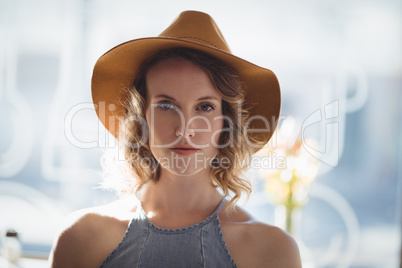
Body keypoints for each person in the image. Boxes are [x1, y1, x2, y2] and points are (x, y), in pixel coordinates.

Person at [49, 10, 302, 268]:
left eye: (204, 107)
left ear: (227, 123)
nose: (185, 130)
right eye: (167, 106)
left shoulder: (272, 252)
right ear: (141, 118)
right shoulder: (80, 239)